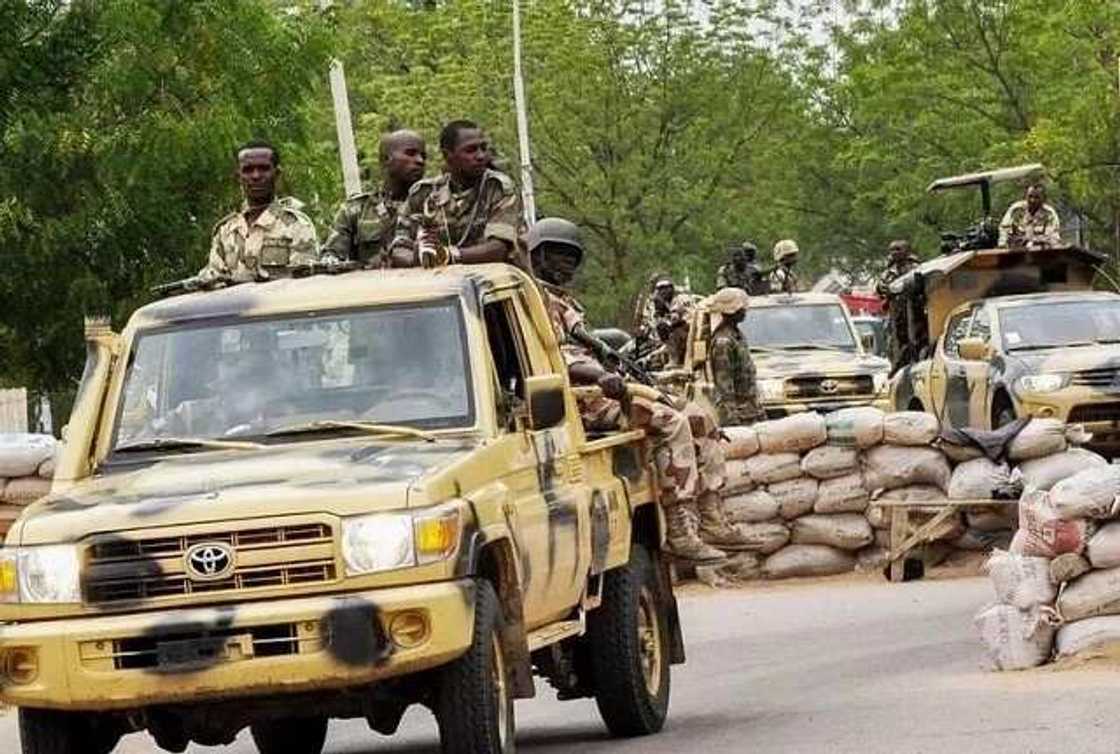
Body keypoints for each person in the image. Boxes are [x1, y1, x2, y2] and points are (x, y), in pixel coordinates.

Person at [528, 217, 754, 561]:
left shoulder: (564, 302)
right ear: (539, 255)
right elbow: (558, 358)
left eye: (572, 257)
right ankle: (679, 528)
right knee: (671, 423)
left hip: (602, 389)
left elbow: (587, 346)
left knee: (699, 417)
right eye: (560, 256)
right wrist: (602, 377)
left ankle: (710, 516)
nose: (568, 265)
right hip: (577, 399)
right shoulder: (533, 300)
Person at [389, 119, 527, 269]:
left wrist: (448, 256)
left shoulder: (498, 188)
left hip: (498, 283)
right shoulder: (424, 193)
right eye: (471, 150)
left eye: (483, 148)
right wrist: (417, 259)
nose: (481, 156)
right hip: (442, 285)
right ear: (448, 155)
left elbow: (498, 249)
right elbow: (399, 248)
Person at [200, 140, 320, 283]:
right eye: (248, 170)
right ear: (239, 176)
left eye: (264, 168)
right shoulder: (225, 231)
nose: (256, 176)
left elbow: (305, 284)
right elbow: (214, 283)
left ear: (277, 174)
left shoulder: (297, 226)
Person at [322, 129, 427, 267]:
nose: (420, 161)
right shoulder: (356, 210)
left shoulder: (434, 207)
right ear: (386, 160)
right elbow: (331, 257)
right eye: (410, 153)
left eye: (423, 156)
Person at [705, 288, 765, 425]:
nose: (745, 311)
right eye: (741, 308)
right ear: (732, 311)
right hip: (739, 415)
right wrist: (732, 419)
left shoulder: (736, 335)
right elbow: (724, 386)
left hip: (751, 411)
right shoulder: (723, 342)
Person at [876, 240, 920, 370]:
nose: (894, 253)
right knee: (893, 345)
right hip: (895, 316)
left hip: (914, 315)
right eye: (892, 250)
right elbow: (881, 289)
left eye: (898, 249)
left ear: (907, 251)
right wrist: (884, 289)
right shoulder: (888, 272)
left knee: (915, 343)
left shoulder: (917, 269)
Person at [998, 184, 1061, 249]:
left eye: (1037, 197)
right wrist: (1002, 245)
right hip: (1016, 250)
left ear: (1043, 198)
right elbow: (1004, 230)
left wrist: (1033, 242)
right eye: (1030, 196)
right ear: (1025, 196)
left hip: (1040, 251)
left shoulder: (1049, 213)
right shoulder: (1016, 210)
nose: (1032, 200)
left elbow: (1053, 237)